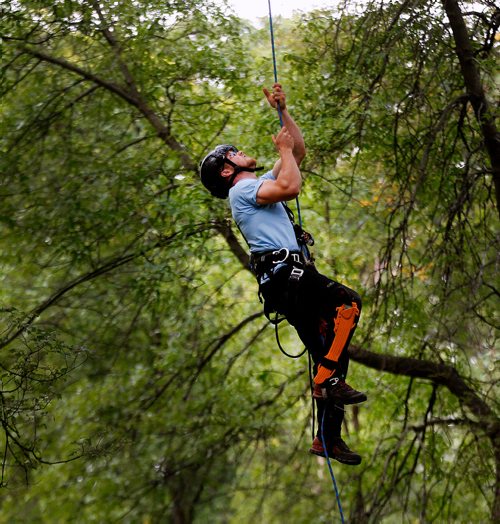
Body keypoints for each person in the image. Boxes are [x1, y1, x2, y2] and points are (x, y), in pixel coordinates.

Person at [200, 84, 366, 465]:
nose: (242, 152)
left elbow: (299, 153)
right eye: (234, 153)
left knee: (330, 354)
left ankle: (326, 438)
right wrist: (283, 152)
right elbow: (291, 185)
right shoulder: (242, 193)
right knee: (348, 304)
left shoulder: (255, 187)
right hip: (286, 276)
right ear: (228, 169)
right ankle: (325, 380)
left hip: (284, 282)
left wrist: (284, 112)